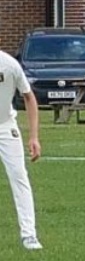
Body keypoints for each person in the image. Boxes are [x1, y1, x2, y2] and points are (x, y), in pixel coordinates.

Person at [0, 49, 42, 250]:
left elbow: (29, 97)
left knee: (19, 177)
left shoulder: (10, 65)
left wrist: (33, 137)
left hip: (5, 126)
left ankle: (29, 235)